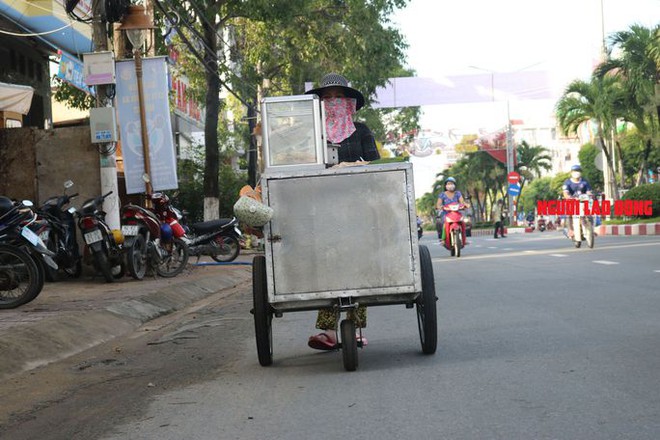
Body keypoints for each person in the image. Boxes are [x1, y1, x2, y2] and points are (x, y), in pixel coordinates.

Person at [304, 73, 380, 351]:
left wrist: (353, 167)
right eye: (327, 98)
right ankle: (328, 331)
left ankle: (356, 328)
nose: (332, 102)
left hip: (358, 209)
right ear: (319, 102)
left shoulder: (362, 131)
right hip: (320, 211)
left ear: (349, 102)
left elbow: (376, 167)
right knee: (328, 268)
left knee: (358, 267)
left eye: (338, 97)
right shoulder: (310, 134)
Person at [435, 177, 469, 245]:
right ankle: (443, 239)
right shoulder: (442, 194)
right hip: (446, 213)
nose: (450, 185)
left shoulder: (458, 193)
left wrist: (466, 205)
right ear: (446, 185)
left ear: (454, 185)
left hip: (456, 212)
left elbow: (462, 202)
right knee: (444, 223)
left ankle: (464, 239)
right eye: (449, 183)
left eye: (452, 183)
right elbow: (438, 204)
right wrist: (439, 207)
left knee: (462, 222)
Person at [562, 164, 592, 237]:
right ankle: (571, 230)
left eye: (578, 171)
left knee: (589, 214)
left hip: (583, 201)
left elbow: (589, 191)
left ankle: (591, 229)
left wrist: (589, 194)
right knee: (569, 214)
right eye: (575, 171)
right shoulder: (567, 182)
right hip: (572, 201)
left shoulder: (585, 181)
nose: (577, 172)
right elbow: (565, 193)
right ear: (571, 172)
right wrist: (568, 197)